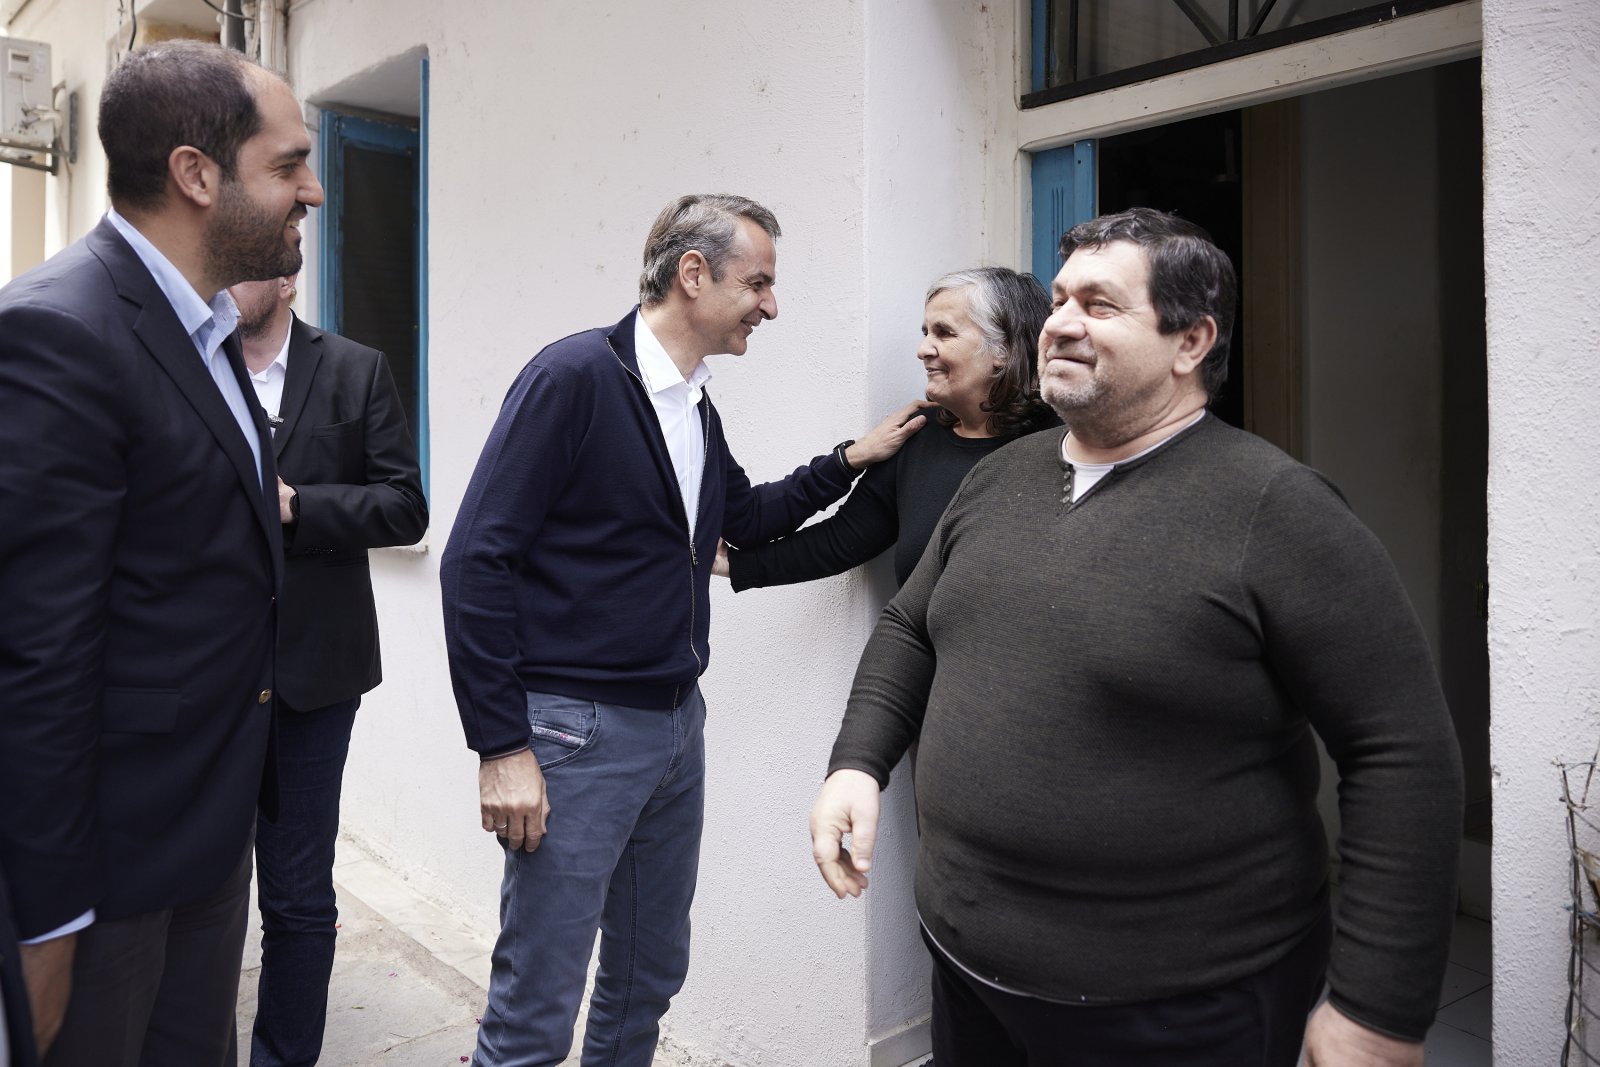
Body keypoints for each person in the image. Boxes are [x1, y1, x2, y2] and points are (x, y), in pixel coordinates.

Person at [809, 207, 1464, 1066]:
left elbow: (1401, 751)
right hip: (969, 970)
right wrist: (858, 762)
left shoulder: (1277, 510)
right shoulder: (1000, 477)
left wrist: (1377, 1009)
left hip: (1178, 1004)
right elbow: (911, 626)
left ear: (1191, 341)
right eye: (1059, 300)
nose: (1060, 324)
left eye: (1100, 305)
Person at [441, 192, 927, 1067]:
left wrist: (849, 461)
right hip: (576, 733)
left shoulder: (693, 405)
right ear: (693, 274)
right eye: (759, 282)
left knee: (648, 976)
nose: (771, 305)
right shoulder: (573, 378)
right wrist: (501, 745)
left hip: (674, 726)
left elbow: (743, 516)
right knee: (536, 1006)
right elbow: (475, 560)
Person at [0, 40, 324, 1066]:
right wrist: (47, 916)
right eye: (288, 165)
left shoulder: (207, 328)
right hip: (107, 876)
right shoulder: (60, 331)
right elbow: (37, 656)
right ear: (196, 174)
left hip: (206, 835)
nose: (312, 191)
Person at [228, 273, 428, 1066]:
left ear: (286, 276)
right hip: (204, 679)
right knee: (192, 897)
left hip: (314, 678)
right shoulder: (186, 362)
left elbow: (406, 506)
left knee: (299, 895)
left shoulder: (356, 368)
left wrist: (298, 505)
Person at [719, 267, 1054, 591]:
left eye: (944, 333)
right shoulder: (917, 435)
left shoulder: (1060, 443)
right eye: (926, 333)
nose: (923, 350)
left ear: (1003, 350)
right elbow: (842, 540)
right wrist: (734, 565)